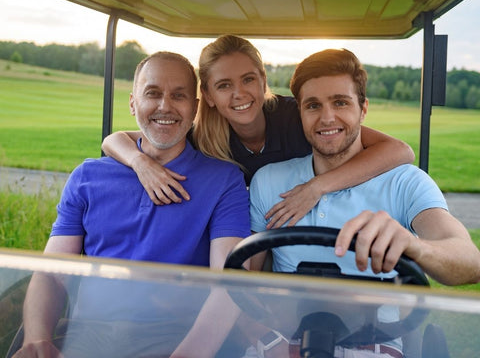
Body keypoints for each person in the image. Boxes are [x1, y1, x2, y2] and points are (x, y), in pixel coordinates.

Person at [14, 51, 251, 358]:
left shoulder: (224, 180)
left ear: (194, 108)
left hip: (175, 337)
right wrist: (36, 339)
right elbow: (52, 272)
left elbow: (228, 283)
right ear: (132, 103)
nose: (165, 106)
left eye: (179, 95)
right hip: (90, 335)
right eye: (153, 93)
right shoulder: (87, 176)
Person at [248, 48, 480, 357]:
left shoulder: (405, 182)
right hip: (285, 338)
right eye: (313, 105)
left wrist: (415, 245)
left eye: (341, 102)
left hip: (373, 341)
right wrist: (265, 338)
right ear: (300, 113)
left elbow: (470, 263)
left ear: (363, 109)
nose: (327, 117)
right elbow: (247, 277)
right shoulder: (268, 181)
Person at [102, 35, 415, 228]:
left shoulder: (299, 114)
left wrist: (317, 187)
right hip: (261, 225)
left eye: (248, 80)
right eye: (224, 85)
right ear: (208, 96)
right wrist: (140, 163)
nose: (239, 94)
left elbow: (401, 151)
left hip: (316, 217)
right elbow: (114, 141)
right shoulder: (205, 136)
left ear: (264, 81)